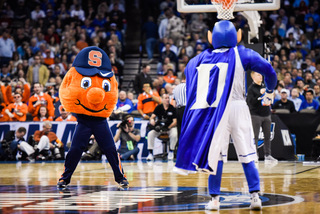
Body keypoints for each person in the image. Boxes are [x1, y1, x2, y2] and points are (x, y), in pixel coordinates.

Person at [175, 20, 277, 211]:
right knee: (247, 154)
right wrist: (270, 90)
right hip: (238, 106)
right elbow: (269, 70)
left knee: (216, 157)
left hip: (215, 110)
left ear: (210, 37)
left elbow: (191, 87)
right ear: (237, 36)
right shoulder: (242, 53)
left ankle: (214, 200)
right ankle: (255, 196)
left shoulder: (197, 60)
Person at [57, 47, 128, 190]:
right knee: (75, 150)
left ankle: (121, 178)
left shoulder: (108, 76)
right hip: (84, 120)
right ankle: (64, 179)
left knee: (110, 150)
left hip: (100, 120)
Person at [247, 72, 278, 163]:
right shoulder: (251, 89)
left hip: (266, 114)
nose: (260, 76)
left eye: (261, 75)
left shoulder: (265, 86)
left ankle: (268, 155)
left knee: (267, 136)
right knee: (255, 136)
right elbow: (250, 102)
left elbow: (268, 99)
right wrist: (259, 95)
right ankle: (254, 155)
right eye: (258, 75)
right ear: (253, 77)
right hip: (255, 115)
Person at [146, 93, 178, 161]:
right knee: (150, 134)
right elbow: (152, 117)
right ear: (162, 99)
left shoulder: (172, 108)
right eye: (165, 98)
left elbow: (175, 122)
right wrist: (152, 120)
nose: (167, 100)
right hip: (160, 128)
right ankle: (150, 153)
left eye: (168, 98)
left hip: (169, 127)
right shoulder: (158, 107)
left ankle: (171, 151)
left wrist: (168, 128)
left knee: (174, 133)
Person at [172, 73, 186, 145]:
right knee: (186, 129)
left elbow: (174, 101)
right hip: (185, 109)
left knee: (179, 130)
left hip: (177, 109)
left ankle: (179, 148)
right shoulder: (188, 86)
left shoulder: (176, 88)